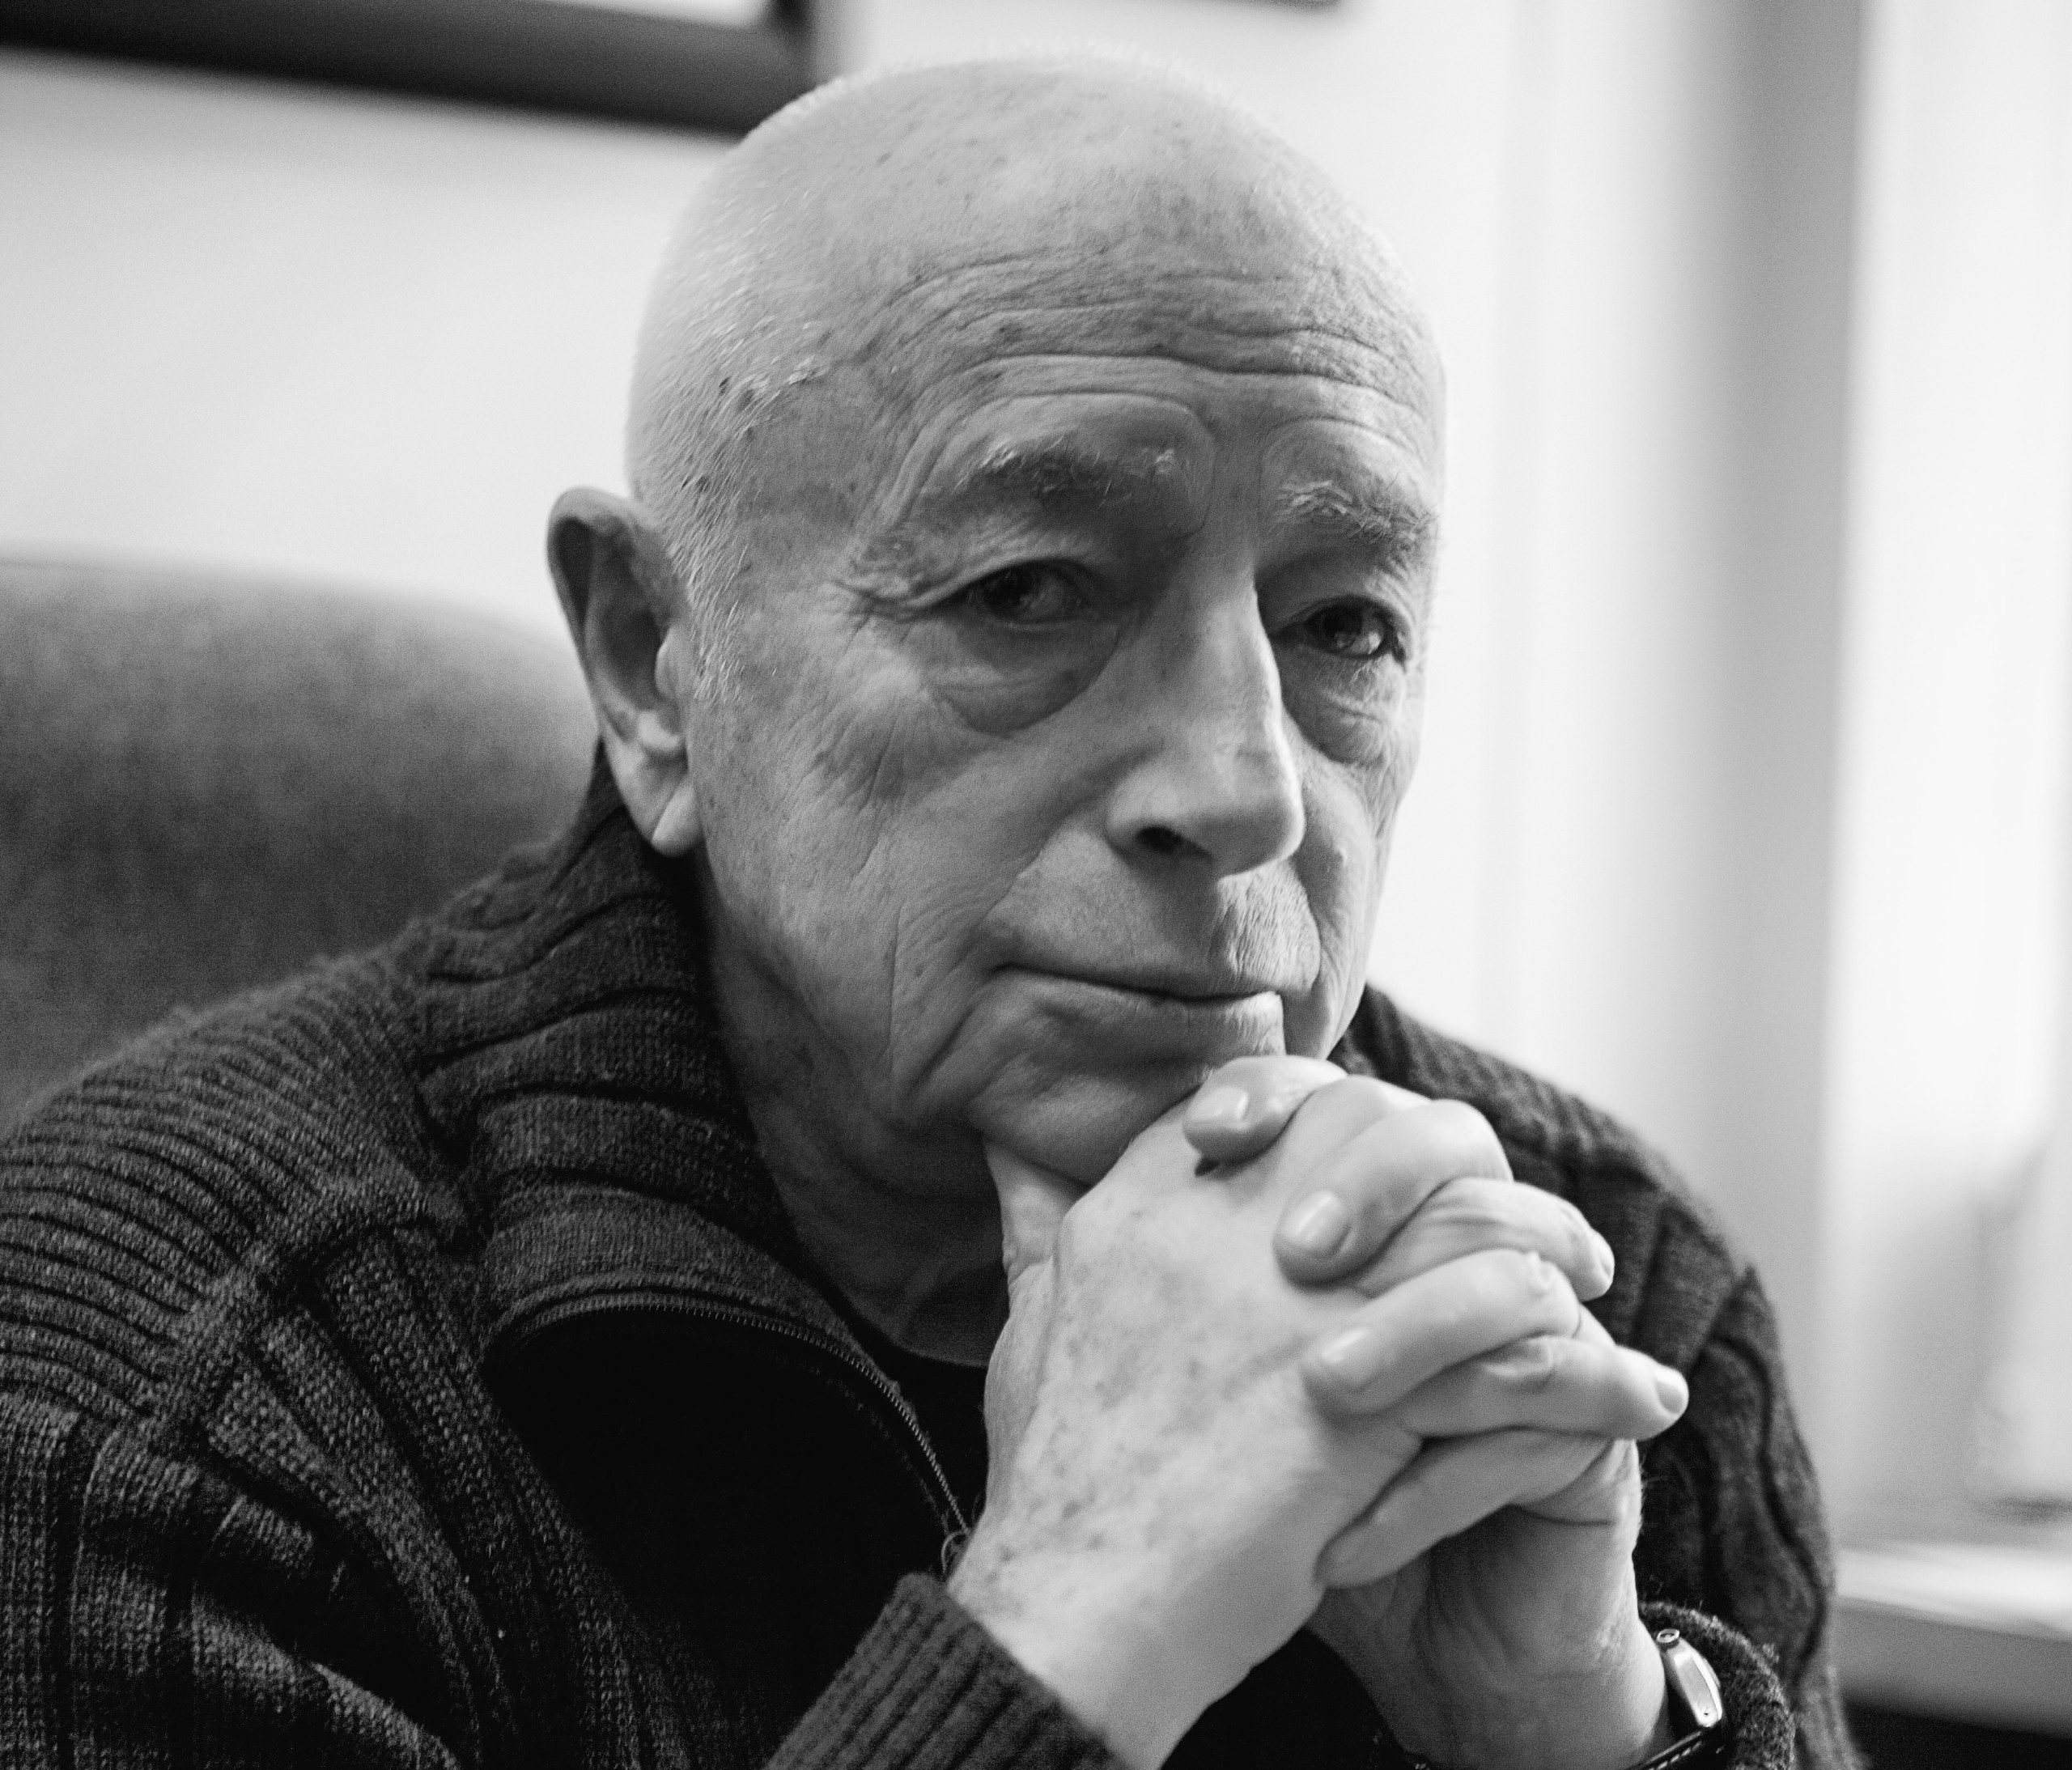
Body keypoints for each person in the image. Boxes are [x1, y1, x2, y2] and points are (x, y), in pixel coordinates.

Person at [0, 57, 1858, 1770]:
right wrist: (1070, 1621)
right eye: (1029, 587)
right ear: (653, 661)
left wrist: (1581, 1731)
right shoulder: (167, 1394)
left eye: (1344, 624)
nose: (1247, 787)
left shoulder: (1592, 1295)